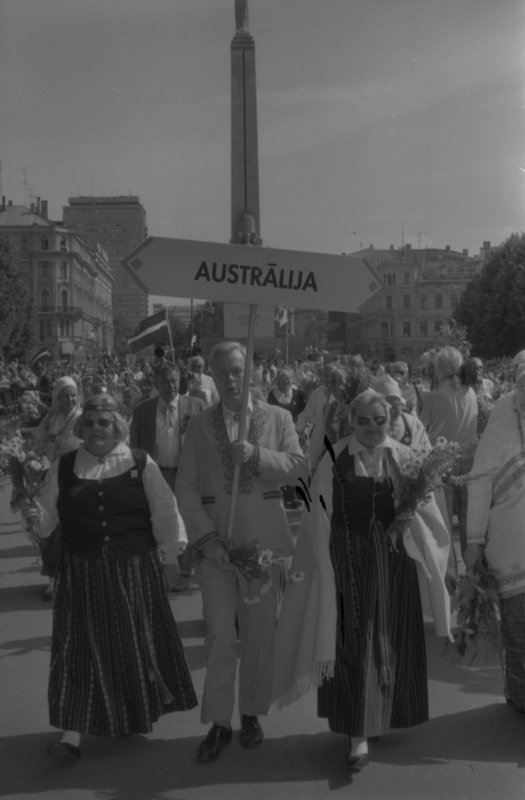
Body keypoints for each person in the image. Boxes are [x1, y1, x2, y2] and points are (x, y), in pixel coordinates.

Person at [272, 389, 451, 767]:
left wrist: (409, 516)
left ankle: (380, 715)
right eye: (364, 420)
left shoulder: (405, 457)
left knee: (390, 637)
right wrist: (321, 563)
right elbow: (317, 513)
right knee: (355, 640)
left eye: (379, 420)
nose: (372, 427)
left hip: (393, 563)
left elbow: (430, 515)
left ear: (391, 420)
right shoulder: (335, 457)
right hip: (348, 561)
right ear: (351, 421)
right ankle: (358, 733)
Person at [26, 392, 197, 763]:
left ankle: (131, 713)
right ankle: (71, 735)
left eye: (103, 422)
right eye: (88, 423)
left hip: (133, 568)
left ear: (117, 426)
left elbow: (164, 510)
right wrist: (32, 513)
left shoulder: (139, 461)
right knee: (77, 648)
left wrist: (172, 558)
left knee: (131, 644)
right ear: (80, 427)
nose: (95, 429)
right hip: (81, 571)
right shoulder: (64, 466)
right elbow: (46, 521)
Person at [176, 341, 308, 763]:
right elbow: (185, 488)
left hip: (264, 548)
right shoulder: (199, 426)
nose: (231, 379)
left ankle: (251, 712)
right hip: (216, 551)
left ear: (252, 372)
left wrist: (257, 456)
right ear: (211, 378)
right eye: (222, 373)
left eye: (237, 371)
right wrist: (207, 539)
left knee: (258, 635)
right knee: (219, 636)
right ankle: (219, 721)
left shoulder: (279, 418)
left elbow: (299, 468)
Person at [465, 362, 525, 714]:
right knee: (518, 629)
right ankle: (520, 694)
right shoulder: (499, 432)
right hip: (511, 544)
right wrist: (473, 542)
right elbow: (478, 488)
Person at [130, 364, 206, 591]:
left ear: (179, 381)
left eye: (174, 381)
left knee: (187, 520)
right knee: (160, 521)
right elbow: (134, 446)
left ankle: (185, 569)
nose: (170, 386)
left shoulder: (196, 406)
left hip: (186, 475)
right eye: (164, 382)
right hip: (156, 475)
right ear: (156, 384)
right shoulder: (143, 410)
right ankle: (163, 569)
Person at [420, 346, 478, 557]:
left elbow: (421, 428)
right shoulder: (471, 393)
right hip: (470, 458)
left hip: (443, 460)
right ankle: (472, 567)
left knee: (443, 519)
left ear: (439, 370)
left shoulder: (434, 397)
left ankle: (447, 569)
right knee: (468, 520)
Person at [31, 376, 83, 599]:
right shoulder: (50, 419)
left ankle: (73, 579)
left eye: (73, 395)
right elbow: (35, 445)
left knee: (72, 532)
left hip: (75, 482)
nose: (69, 400)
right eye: (65, 396)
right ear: (57, 399)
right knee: (48, 530)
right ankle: (52, 580)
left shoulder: (83, 419)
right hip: (49, 481)